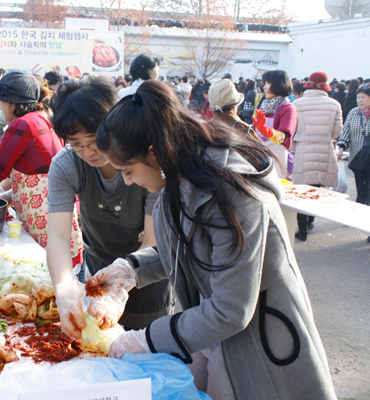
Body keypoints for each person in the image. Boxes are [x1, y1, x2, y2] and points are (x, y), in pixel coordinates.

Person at [89, 80, 336, 400]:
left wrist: (144, 339)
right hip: (216, 340)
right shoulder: (179, 175)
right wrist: (131, 269)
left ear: (154, 151)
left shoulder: (231, 192)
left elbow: (230, 309)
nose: (127, 180)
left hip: (261, 347)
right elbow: (189, 248)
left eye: (128, 169)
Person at [46, 77, 171, 338]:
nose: (87, 152)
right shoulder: (66, 165)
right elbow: (58, 236)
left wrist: (121, 283)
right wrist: (64, 288)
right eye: (76, 144)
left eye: (92, 141)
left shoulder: (145, 164)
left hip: (147, 273)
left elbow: (152, 240)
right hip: (98, 269)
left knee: (142, 350)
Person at [0, 71, 83, 264]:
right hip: (58, 210)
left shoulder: (21, 124)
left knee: (47, 272)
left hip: (45, 216)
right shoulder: (40, 118)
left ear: (12, 103)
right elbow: (35, 174)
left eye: (1, 102)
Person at [292, 71, 343, 241]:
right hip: (324, 149)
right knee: (316, 188)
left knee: (301, 191)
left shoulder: (297, 104)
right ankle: (310, 222)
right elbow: (337, 132)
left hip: (303, 149)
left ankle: (302, 230)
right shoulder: (335, 105)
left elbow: (293, 130)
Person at [252, 69, 297, 180]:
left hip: (277, 159)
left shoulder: (287, 108)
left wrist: (265, 130)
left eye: (268, 83)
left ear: (278, 84)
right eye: (264, 83)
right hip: (260, 156)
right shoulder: (264, 106)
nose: (264, 87)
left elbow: (283, 137)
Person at [337, 84, 370, 205]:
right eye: (358, 97)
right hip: (357, 159)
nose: (360, 100)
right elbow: (346, 133)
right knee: (361, 190)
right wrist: (341, 148)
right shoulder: (353, 113)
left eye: (363, 98)